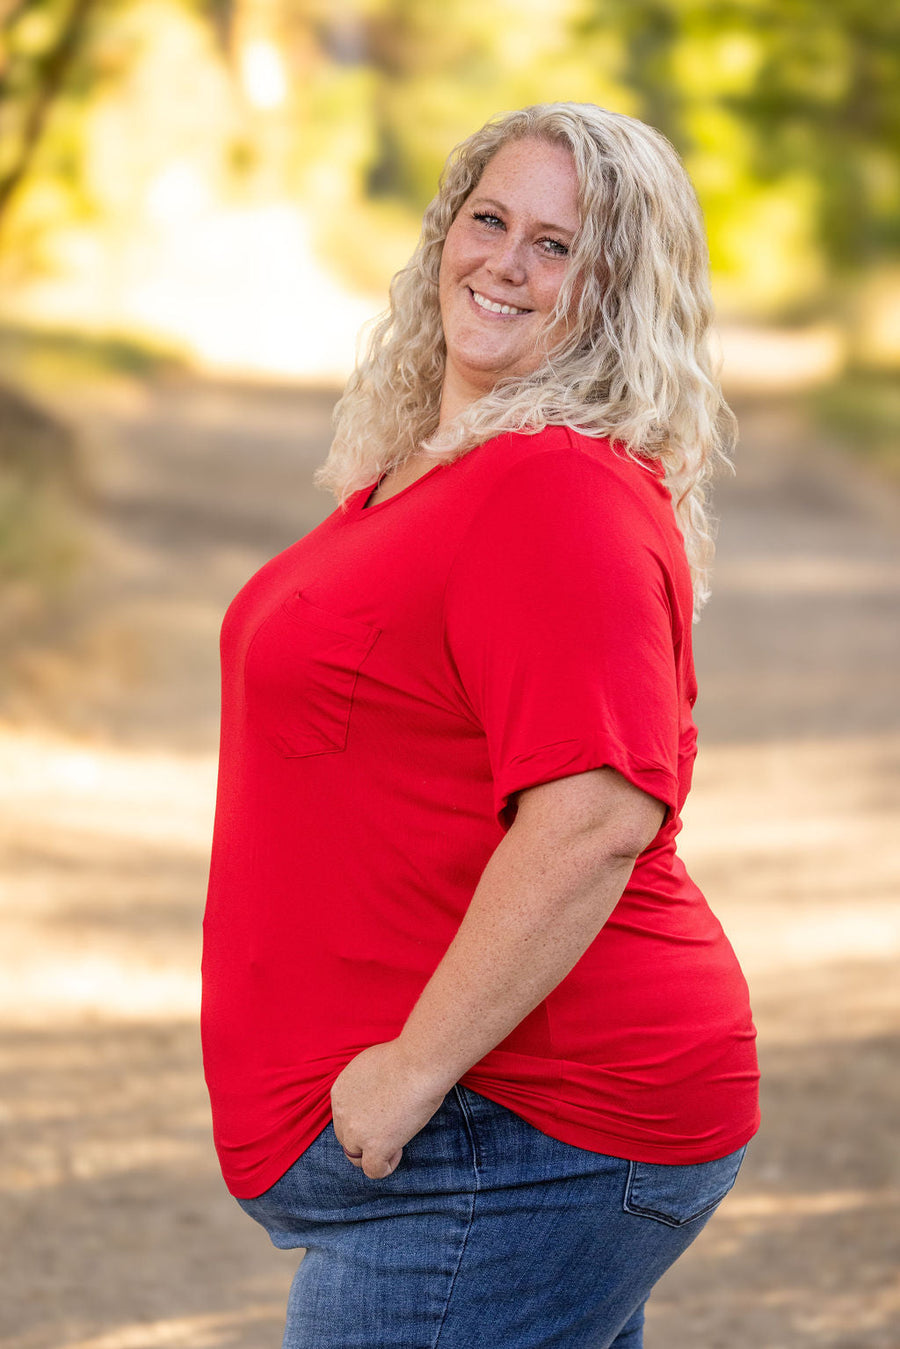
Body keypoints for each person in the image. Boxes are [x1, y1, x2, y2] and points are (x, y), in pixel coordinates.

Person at [201, 102, 760, 1348]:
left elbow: (597, 814)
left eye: (559, 247)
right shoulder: (433, 475)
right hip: (481, 1127)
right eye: (489, 218)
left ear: (616, 293)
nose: (504, 262)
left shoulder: (555, 486)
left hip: (516, 1127)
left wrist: (411, 1068)